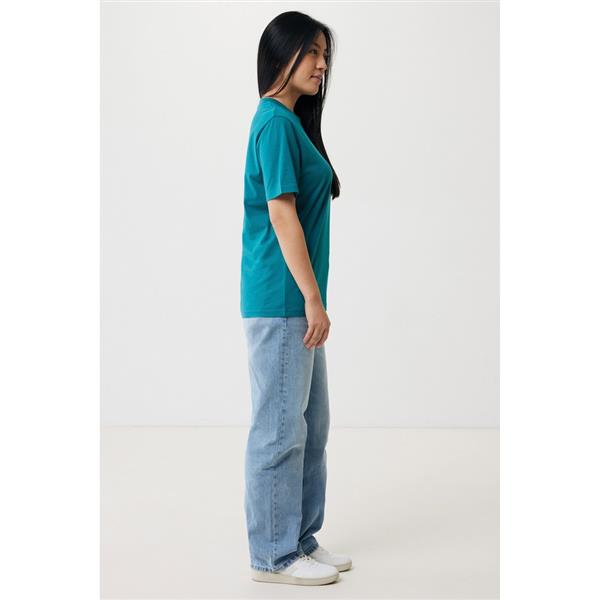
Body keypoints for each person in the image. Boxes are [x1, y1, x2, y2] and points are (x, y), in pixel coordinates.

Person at [240, 11, 352, 586]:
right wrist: (313, 298)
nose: (321, 64)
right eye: (311, 52)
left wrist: (313, 299)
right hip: (284, 300)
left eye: (325, 54)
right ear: (280, 54)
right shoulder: (274, 123)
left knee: (311, 424)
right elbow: (282, 216)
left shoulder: (291, 123)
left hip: (298, 302)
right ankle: (273, 556)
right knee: (280, 428)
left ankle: (300, 538)